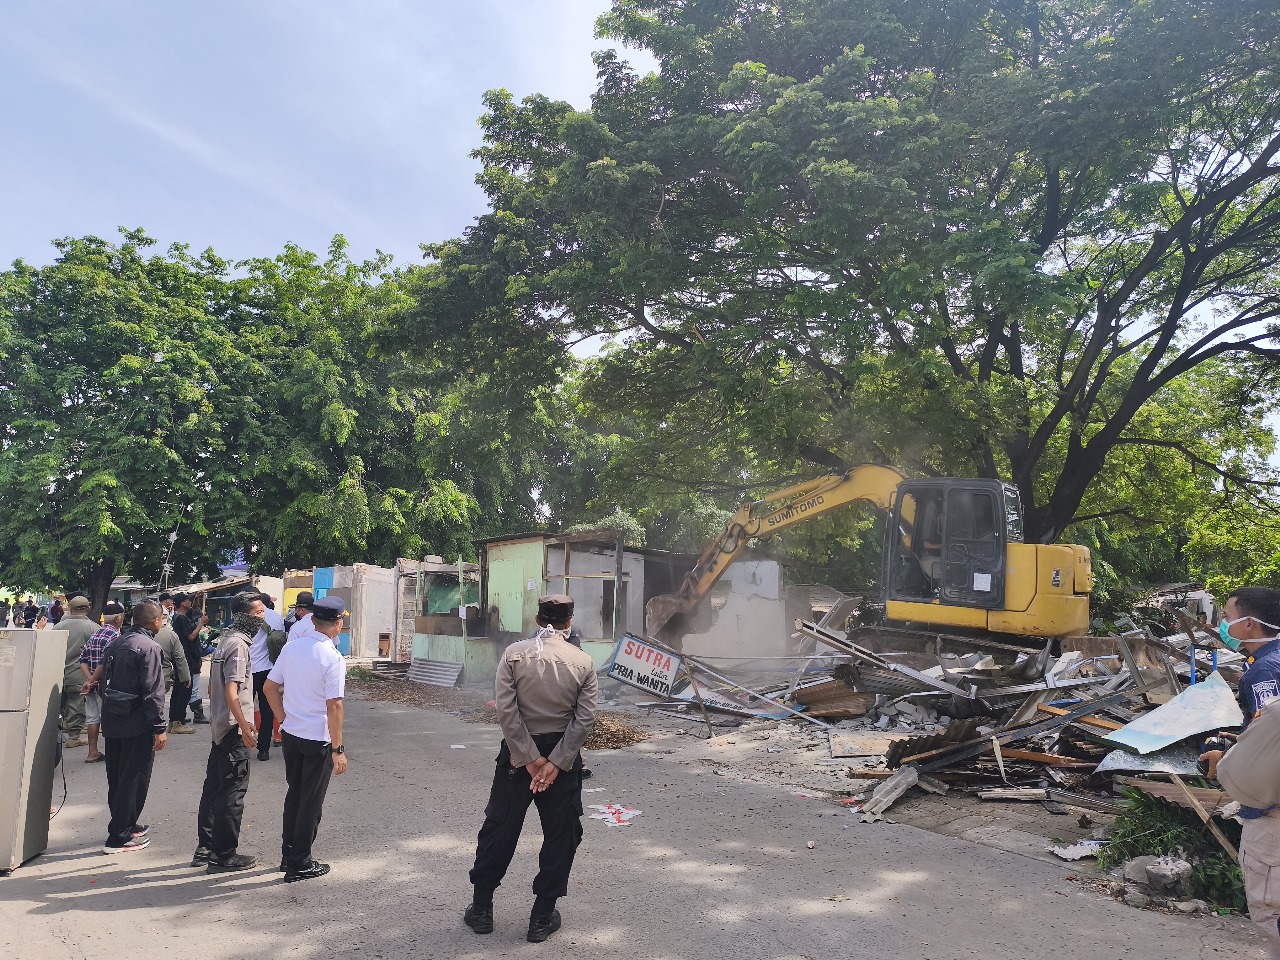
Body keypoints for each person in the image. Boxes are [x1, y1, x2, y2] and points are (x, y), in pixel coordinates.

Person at [464, 594, 598, 943]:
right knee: (561, 835)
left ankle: (481, 910)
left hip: (516, 757)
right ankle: (541, 918)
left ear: (538, 619)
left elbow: (506, 712)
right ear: (569, 622)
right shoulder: (583, 662)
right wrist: (554, 763)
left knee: (500, 829)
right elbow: (584, 720)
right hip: (561, 758)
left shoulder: (513, 654)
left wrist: (529, 758)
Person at [1200, 586, 1280, 946]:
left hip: (1272, 811)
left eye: (1229, 617)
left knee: (1269, 905)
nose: (1224, 624)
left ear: (1249, 624)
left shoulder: (1264, 672)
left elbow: (1273, 740)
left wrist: (1230, 763)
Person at [263, 596, 348, 882]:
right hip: (317, 739)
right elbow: (334, 705)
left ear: (311, 620)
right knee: (311, 802)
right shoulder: (333, 658)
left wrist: (283, 719)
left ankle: (289, 854)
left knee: (295, 794)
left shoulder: (292, 648)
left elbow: (269, 687)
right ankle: (300, 862)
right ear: (338, 624)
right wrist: (338, 748)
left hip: (292, 734)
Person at [192, 592, 263, 872]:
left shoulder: (226, 640)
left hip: (220, 725)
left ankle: (206, 847)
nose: (262, 618)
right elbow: (232, 689)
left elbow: (214, 688)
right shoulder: (239, 646)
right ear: (244, 615)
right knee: (232, 793)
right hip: (233, 728)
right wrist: (245, 726)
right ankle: (224, 855)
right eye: (258, 613)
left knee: (214, 788)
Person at [98, 600, 168, 853]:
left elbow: (103, 682)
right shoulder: (149, 647)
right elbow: (153, 692)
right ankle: (119, 836)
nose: (162, 622)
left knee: (117, 776)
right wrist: (159, 727)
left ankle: (124, 822)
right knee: (134, 778)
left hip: (113, 718)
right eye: (162, 619)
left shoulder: (117, 642)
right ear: (154, 621)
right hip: (137, 722)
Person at [78, 601, 126, 763]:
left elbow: (83, 660)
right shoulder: (115, 636)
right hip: (106, 686)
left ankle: (92, 752)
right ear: (119, 618)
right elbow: (104, 662)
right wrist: (94, 679)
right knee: (109, 719)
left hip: (91, 687)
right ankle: (113, 753)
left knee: (92, 719)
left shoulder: (95, 634)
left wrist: (89, 680)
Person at [57, 595, 98, 749]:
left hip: (57, 673)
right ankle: (74, 737)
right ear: (88, 608)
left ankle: (62, 729)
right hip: (79, 673)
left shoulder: (58, 627)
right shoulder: (93, 628)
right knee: (76, 704)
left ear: (70, 608)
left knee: (61, 704)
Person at [249, 594, 285, 762]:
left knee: (244, 708)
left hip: (248, 670)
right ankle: (263, 749)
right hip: (269, 670)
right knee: (267, 710)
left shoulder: (247, 614)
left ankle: (243, 744)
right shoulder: (277, 618)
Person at [153, 605, 195, 735]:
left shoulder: (134, 634)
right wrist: (186, 677)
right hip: (162, 676)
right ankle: (163, 728)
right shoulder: (170, 634)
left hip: (139, 676)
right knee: (157, 704)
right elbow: (180, 659)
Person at [170, 594, 208, 726]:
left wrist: (198, 597)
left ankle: (176, 718)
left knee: (180, 688)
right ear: (182, 603)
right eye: (188, 600)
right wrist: (201, 624)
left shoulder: (179, 616)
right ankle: (178, 720)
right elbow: (191, 637)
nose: (190, 602)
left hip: (184, 656)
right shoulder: (182, 619)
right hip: (187, 657)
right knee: (185, 688)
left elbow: (195, 609)